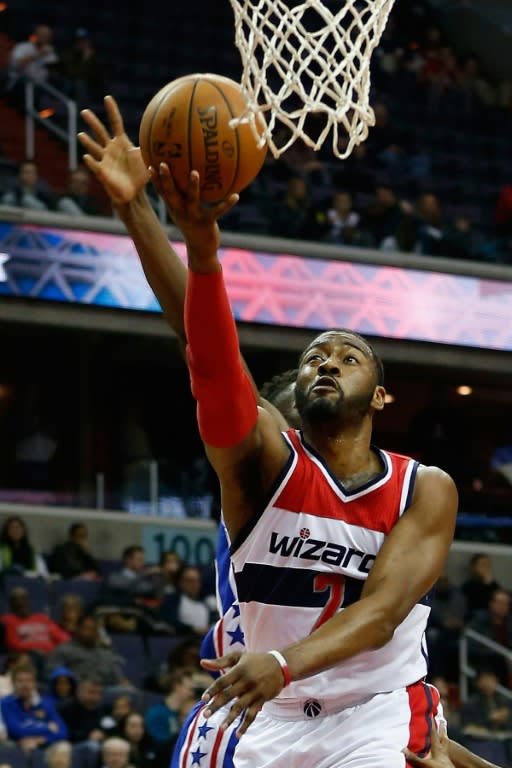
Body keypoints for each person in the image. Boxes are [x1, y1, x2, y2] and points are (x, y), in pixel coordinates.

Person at [77, 94, 495, 768]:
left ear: (382, 395)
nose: (327, 360)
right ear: (294, 394)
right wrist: (174, 233)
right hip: (269, 714)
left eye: (348, 356)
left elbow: (382, 613)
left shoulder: (425, 488)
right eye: (314, 357)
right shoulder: (262, 461)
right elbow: (209, 359)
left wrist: (281, 661)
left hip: (373, 710)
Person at [46, 614, 132, 690]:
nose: (90, 633)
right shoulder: (63, 650)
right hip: (74, 692)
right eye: (86, 629)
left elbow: (119, 679)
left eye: (93, 629)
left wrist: (123, 683)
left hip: (103, 692)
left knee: (128, 690)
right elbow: (51, 675)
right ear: (77, 629)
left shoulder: (106, 654)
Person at [0, 662, 68, 750]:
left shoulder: (46, 702)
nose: (25, 684)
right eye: (20, 680)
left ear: (35, 683)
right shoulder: (6, 703)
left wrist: (41, 740)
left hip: (43, 744)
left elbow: (63, 731)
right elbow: (15, 730)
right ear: (13, 683)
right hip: (17, 745)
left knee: (63, 746)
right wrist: (47, 727)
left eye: (29, 680)